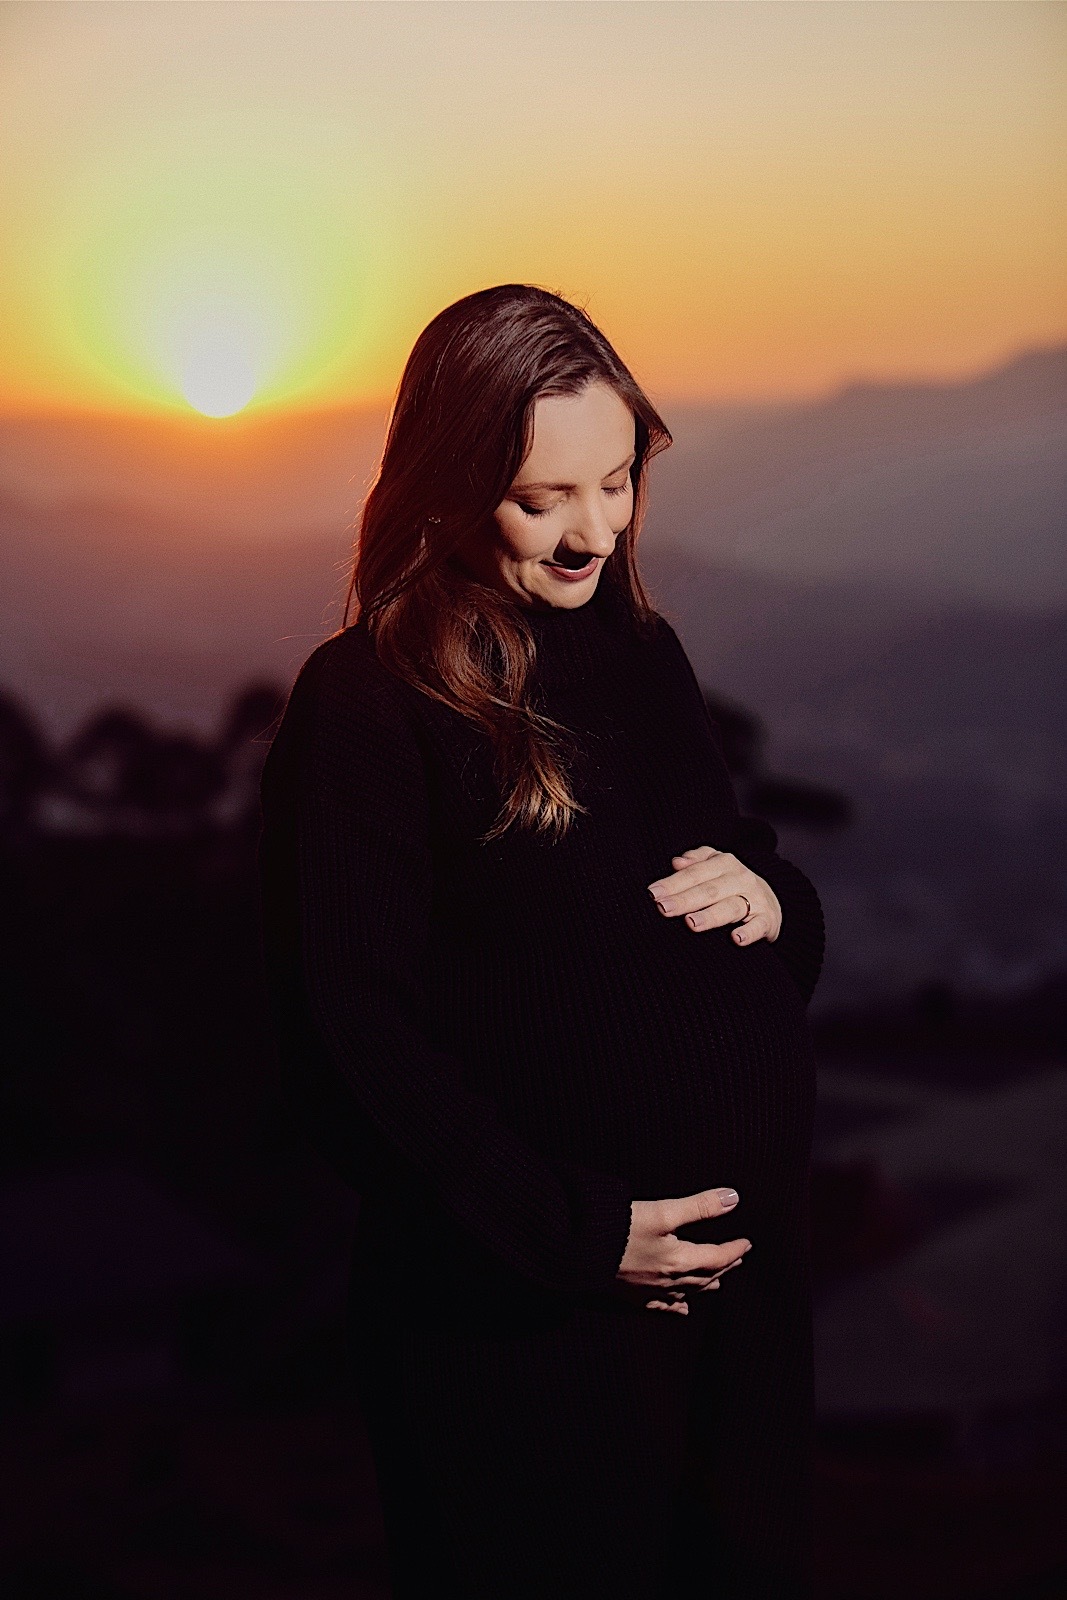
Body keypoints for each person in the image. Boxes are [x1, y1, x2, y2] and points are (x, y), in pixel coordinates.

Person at [257, 284, 826, 1600]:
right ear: (448, 486)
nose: (591, 534)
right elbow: (350, 1042)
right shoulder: (364, 705)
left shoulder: (641, 653)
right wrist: (576, 1233)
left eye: (617, 484)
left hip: (738, 1337)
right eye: (541, 498)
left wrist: (779, 902)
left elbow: (734, 874)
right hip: (526, 1345)